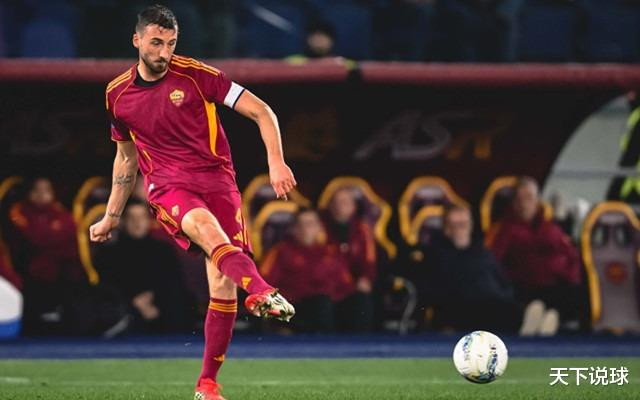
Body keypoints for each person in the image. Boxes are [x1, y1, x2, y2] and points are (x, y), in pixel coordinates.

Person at [88, 5, 296, 399]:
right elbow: (126, 159)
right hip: (168, 185)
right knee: (206, 229)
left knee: (222, 282)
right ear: (137, 41)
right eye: (156, 43)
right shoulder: (117, 94)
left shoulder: (198, 76)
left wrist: (276, 162)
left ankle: (207, 384)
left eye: (170, 43)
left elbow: (262, 111)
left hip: (218, 181)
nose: (164, 52)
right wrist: (112, 215)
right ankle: (261, 288)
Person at [415, 205, 558, 335]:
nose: (460, 229)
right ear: (446, 228)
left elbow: (502, 280)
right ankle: (528, 328)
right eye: (455, 225)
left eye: (464, 224)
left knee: (511, 306)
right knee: (497, 311)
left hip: (495, 301)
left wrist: (504, 295)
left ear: (470, 225)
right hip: (461, 308)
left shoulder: (482, 252)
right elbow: (433, 290)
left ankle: (533, 327)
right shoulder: (436, 254)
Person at [487, 176, 583, 328]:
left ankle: (551, 320)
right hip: (523, 288)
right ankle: (541, 320)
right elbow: (493, 264)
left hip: (556, 285)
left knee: (575, 294)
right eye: (519, 199)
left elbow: (572, 256)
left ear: (537, 201)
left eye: (529, 198)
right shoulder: (504, 230)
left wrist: (570, 277)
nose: (524, 204)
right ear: (513, 203)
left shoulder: (551, 228)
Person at [94, 199, 193, 334]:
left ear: (149, 221)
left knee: (180, 300)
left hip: (160, 306)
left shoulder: (163, 251)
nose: (137, 222)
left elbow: (174, 281)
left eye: (142, 217)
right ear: (122, 221)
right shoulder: (107, 254)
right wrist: (134, 301)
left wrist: (151, 297)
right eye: (132, 218)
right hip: (125, 310)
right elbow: (107, 287)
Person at [6, 177, 87, 334]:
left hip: (61, 268)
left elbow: (72, 232)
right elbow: (35, 239)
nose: (41, 194)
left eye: (46, 190)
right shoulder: (19, 211)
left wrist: (51, 237)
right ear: (29, 193)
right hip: (28, 267)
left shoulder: (59, 211)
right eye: (37, 190)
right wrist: (54, 235)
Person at [260, 208, 353, 333]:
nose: (306, 229)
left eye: (310, 224)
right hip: (294, 307)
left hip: (328, 307)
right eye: (301, 224)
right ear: (294, 229)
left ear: (319, 227)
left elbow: (346, 283)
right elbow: (263, 282)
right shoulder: (280, 251)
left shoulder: (331, 252)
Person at [322, 187, 376, 332]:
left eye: (345, 202)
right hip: (328, 285)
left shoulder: (362, 229)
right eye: (336, 202)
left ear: (353, 207)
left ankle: (361, 342)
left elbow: (369, 260)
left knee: (363, 298)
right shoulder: (320, 227)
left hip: (353, 285)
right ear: (330, 206)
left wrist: (365, 278)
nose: (340, 207)